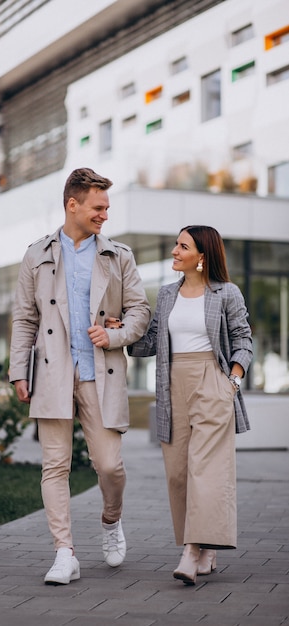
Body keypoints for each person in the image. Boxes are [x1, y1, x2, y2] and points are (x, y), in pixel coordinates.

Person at [9, 167, 151, 585]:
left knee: (109, 466)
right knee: (55, 466)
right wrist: (19, 369)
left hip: (99, 372)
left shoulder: (118, 255)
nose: (105, 214)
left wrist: (114, 334)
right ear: (73, 205)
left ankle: (111, 520)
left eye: (107, 207)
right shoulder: (36, 254)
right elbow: (24, 319)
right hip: (52, 373)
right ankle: (64, 553)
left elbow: (140, 311)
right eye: (98, 207)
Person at [115, 225, 252, 585]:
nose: (175, 251)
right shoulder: (167, 294)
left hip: (212, 382)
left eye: (182, 246)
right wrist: (124, 330)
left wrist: (231, 383)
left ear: (202, 257)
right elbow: (150, 343)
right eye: (176, 245)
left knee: (204, 471)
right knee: (178, 474)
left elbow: (243, 340)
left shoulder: (226, 293)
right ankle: (207, 549)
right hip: (172, 385)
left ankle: (192, 551)